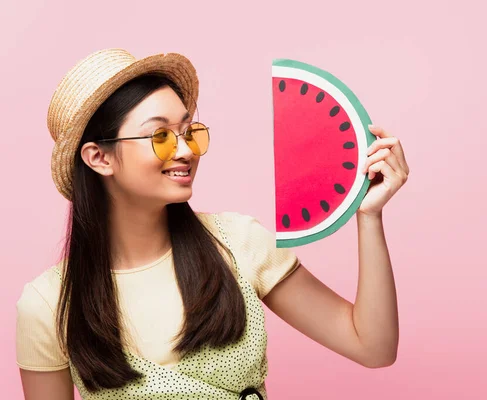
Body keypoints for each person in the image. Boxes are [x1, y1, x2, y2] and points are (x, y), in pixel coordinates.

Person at [16, 48, 409, 400]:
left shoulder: (239, 243)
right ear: (99, 158)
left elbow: (372, 347)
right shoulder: (48, 304)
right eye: (161, 136)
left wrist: (369, 216)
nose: (186, 150)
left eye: (189, 132)